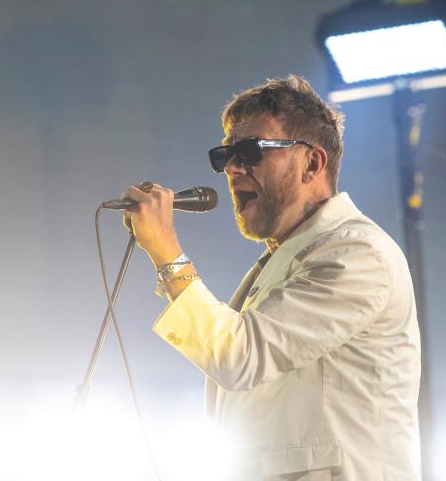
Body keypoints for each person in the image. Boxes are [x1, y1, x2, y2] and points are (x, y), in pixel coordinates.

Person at [121, 75, 421, 481]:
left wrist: (166, 252)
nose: (231, 168)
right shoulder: (281, 262)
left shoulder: (359, 253)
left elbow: (240, 356)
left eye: (250, 151)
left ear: (312, 162)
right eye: (226, 155)